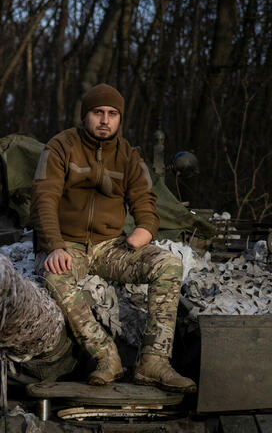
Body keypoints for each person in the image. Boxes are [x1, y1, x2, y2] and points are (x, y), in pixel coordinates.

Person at [30, 83, 196, 393]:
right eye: (98, 113)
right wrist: (53, 246)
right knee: (55, 277)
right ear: (86, 115)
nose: (105, 120)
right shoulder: (60, 146)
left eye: (112, 114)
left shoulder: (128, 156)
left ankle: (154, 362)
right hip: (68, 244)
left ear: (119, 119)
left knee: (168, 265)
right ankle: (107, 357)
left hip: (109, 247)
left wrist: (144, 229)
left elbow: (146, 199)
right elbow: (44, 199)